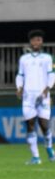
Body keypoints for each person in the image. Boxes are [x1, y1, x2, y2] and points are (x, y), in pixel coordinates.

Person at [16, 29, 55, 165]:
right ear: (30, 42)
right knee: (30, 125)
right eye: (33, 39)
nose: (36, 42)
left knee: (44, 125)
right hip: (28, 96)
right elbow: (20, 75)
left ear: (42, 42)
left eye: (38, 39)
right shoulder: (24, 59)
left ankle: (49, 148)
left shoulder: (48, 58)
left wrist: (47, 88)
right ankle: (36, 157)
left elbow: (51, 74)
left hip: (43, 95)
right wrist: (19, 87)